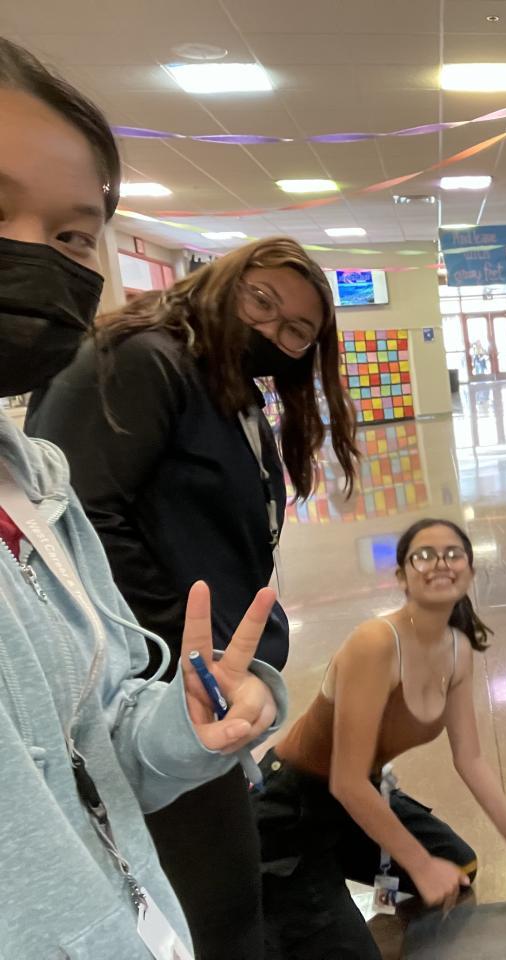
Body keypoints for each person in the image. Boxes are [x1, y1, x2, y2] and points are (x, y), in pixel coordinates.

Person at [0, 37, 286, 957]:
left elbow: (88, 741)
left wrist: (182, 719)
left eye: (71, 235)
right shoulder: (140, 366)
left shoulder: (32, 486)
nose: (33, 256)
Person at [25, 235, 359, 960]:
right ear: (224, 280)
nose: (271, 329)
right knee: (217, 907)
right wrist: (186, 653)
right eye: (261, 300)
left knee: (226, 896)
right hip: (144, 693)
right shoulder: (143, 360)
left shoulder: (224, 387)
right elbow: (85, 523)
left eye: (296, 330)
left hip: (193, 696)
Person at [254, 517, 506, 959]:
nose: (441, 563)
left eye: (453, 554)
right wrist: (419, 864)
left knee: (457, 866)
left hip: (358, 801)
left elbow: (469, 758)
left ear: (469, 571)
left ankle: (325, 889)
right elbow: (346, 781)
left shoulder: (457, 651)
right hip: (292, 810)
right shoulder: (375, 643)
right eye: (423, 555)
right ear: (401, 576)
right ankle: (297, 898)